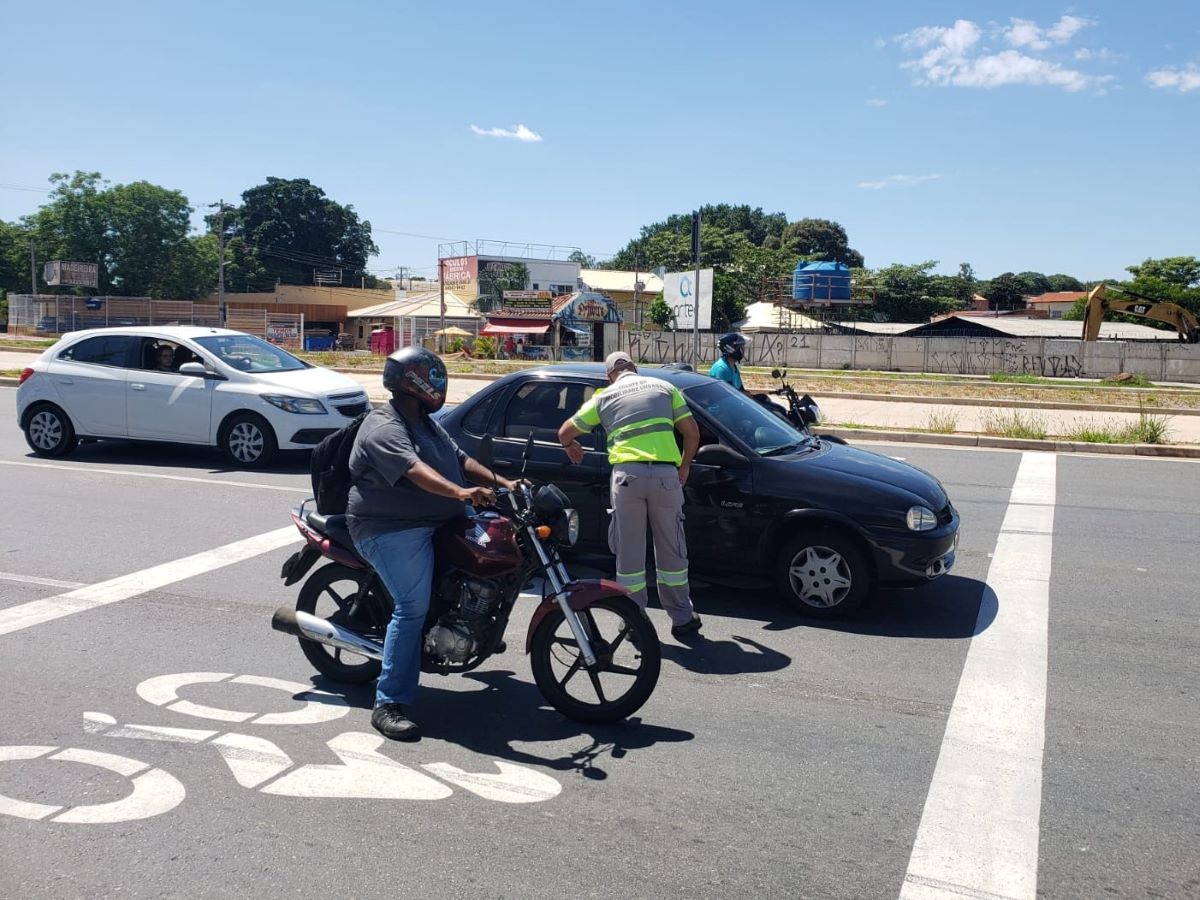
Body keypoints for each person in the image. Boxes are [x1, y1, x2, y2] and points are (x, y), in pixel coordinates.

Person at [347, 346, 519, 742]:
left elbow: (460, 459)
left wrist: (504, 483)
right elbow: (416, 470)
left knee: (499, 551)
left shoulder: (424, 421)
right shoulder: (383, 426)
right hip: (391, 527)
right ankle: (388, 702)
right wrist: (461, 493)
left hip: (438, 519)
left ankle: (474, 625)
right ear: (413, 382)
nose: (439, 383)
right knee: (411, 607)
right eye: (432, 376)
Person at [557, 351, 703, 639]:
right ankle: (682, 618)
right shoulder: (665, 388)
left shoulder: (604, 397)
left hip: (627, 479)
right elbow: (692, 433)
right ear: (635, 368)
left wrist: (571, 446)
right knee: (672, 549)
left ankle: (634, 620)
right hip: (665, 477)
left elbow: (564, 432)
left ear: (609, 375)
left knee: (630, 555)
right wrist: (684, 466)